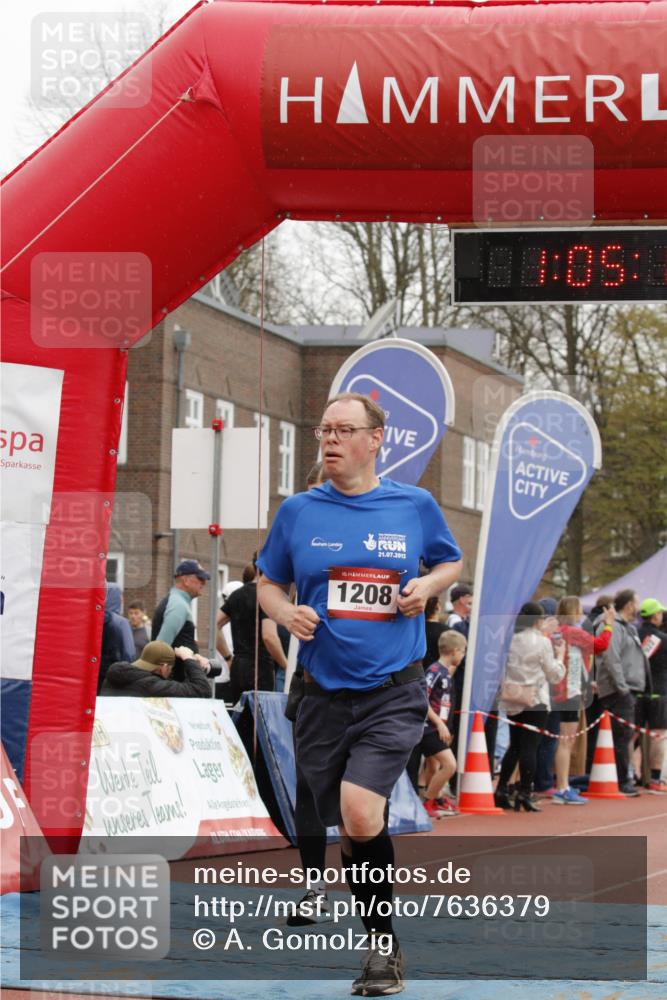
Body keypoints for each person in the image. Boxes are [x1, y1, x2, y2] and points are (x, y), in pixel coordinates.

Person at [257, 391, 462, 996]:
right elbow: (269, 582)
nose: (329, 440)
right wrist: (285, 612)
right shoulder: (298, 510)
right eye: (323, 429)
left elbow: (449, 563)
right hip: (320, 694)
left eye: (343, 430)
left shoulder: (414, 505)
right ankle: (376, 930)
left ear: (376, 439)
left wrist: (427, 583)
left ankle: (381, 947)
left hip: (392, 690)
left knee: (359, 810)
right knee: (344, 822)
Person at [495, 602, 565, 812]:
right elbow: (554, 674)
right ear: (537, 620)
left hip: (513, 697)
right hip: (535, 698)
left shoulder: (509, 639)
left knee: (515, 746)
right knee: (530, 747)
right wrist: (560, 657)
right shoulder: (542, 642)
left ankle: (501, 789)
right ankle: (524, 792)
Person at [550, 596, 615, 805]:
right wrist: (609, 625)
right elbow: (601, 645)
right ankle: (562, 787)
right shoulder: (574, 633)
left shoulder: (555, 632)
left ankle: (561, 784)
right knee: (566, 741)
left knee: (561, 740)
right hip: (569, 691)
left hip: (558, 689)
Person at [597, 589, 651, 797]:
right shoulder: (615, 626)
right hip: (619, 690)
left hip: (631, 687)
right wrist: (622, 687)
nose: (638, 607)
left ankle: (623, 776)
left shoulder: (630, 628)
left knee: (626, 736)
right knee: (622, 736)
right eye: (636, 602)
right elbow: (612, 657)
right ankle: (621, 780)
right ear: (629, 604)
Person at [420, 630, 466, 820]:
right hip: (428, 728)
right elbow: (422, 698)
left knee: (434, 767)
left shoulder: (445, 673)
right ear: (454, 651)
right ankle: (427, 803)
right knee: (450, 765)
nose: (463, 656)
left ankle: (437, 799)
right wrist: (439, 723)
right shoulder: (434, 671)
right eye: (463, 652)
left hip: (438, 727)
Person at [217, 556, 274, 703]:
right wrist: (286, 664)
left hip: (239, 667)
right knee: (258, 720)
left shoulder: (236, 596)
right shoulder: (267, 596)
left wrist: (229, 658)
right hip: (260, 668)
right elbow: (269, 637)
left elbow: (214, 624)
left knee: (239, 719)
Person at [100, 641, 212, 698]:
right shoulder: (151, 685)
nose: (171, 673)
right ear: (163, 668)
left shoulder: (113, 676)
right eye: (170, 669)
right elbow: (202, 690)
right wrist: (188, 658)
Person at [637, 598, 667, 793]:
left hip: (636, 692)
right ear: (655, 615)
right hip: (659, 692)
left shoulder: (634, 634)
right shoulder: (663, 639)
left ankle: (631, 776)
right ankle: (655, 779)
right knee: (659, 736)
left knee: (632, 736)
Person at [99, 582, 136, 693]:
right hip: (116, 676)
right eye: (121, 596)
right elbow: (129, 654)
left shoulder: (97, 619)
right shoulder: (121, 622)